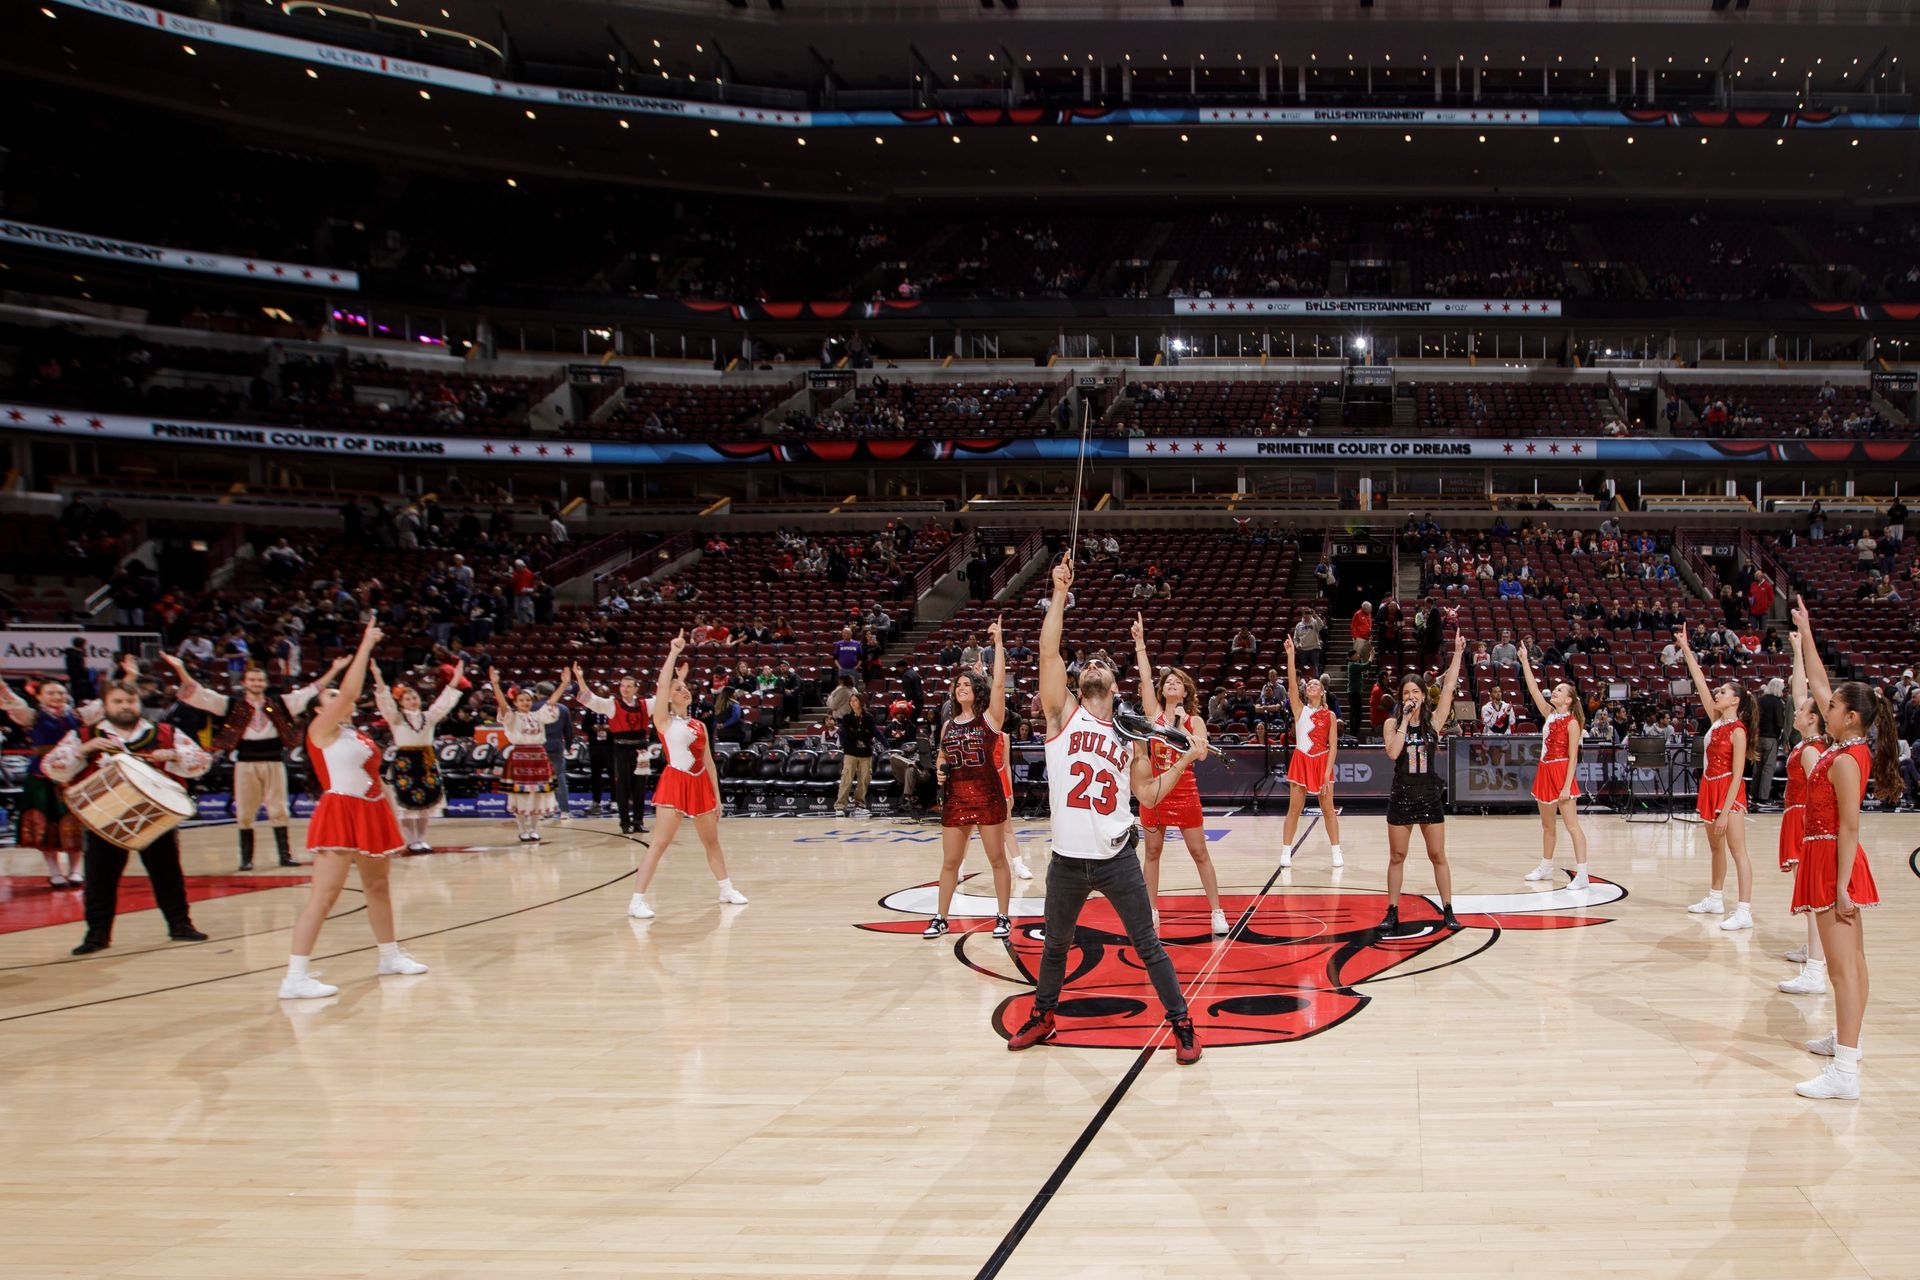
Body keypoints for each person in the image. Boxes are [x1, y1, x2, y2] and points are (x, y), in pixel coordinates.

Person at [1005, 558, 1206, 1066]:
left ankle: (1182, 1023)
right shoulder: (1062, 714)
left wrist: (1184, 756)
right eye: (1087, 664)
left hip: (1116, 857)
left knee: (1148, 945)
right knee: (1055, 946)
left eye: (1101, 664)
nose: (1092, 665)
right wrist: (1056, 590)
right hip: (1066, 860)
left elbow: (1151, 797)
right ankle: (1044, 1014)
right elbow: (1049, 651)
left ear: (1114, 684)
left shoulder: (1131, 735)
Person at [278, 621, 429, 998]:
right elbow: (350, 690)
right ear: (318, 708)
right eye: (329, 696)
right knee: (324, 895)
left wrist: (388, 812)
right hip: (340, 811)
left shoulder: (353, 733)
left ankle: (389, 955)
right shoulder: (320, 729)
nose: (339, 699)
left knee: (378, 887)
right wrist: (365, 645)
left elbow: (373, 775)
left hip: (371, 810)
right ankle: (295, 977)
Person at [1787, 600, 1899, 1100]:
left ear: (1850, 717)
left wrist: (1840, 885)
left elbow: (1851, 827)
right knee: (1851, 963)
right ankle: (1845, 1040)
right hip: (1826, 855)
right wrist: (1808, 632)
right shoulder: (1842, 745)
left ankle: (1846, 1071)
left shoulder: (1849, 758)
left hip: (1836, 859)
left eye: (1831, 706)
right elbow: (1817, 681)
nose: (1822, 704)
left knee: (1843, 967)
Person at [42, 679, 212, 955]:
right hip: (104, 818)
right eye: (118, 701)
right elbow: (52, 768)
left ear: (139, 704)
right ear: (105, 705)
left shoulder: (165, 732)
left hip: (155, 817)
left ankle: (180, 924)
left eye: (130, 701)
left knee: (168, 874)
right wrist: (83, 751)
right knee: (99, 879)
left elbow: (201, 762)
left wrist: (173, 755)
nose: (125, 707)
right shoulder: (84, 735)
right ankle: (97, 935)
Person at [166, 652, 349, 871]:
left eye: (260, 679)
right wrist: (180, 669)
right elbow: (200, 694)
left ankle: (284, 855)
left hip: (273, 761)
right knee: (244, 810)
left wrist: (335, 669)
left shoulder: (280, 703)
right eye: (252, 679)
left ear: (266, 682)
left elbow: (311, 691)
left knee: (278, 808)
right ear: (243, 683)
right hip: (245, 763)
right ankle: (246, 859)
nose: (256, 683)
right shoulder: (230, 705)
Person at [627, 633, 750, 919]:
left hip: (700, 785)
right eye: (679, 688)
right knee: (659, 844)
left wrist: (717, 797)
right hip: (675, 781)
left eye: (686, 688)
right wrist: (673, 653)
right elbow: (661, 684)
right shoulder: (663, 719)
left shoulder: (699, 725)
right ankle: (637, 901)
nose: (685, 691)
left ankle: (726, 888)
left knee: (712, 842)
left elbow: (708, 763)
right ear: (668, 696)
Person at [1131, 613, 1225, 936]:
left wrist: (1183, 725)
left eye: (1178, 682)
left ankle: (1217, 911)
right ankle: (1151, 911)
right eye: (1167, 681)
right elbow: (1144, 678)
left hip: (1184, 791)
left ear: (1185, 693)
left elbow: (1199, 753)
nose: (1171, 683)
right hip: (1156, 789)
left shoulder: (1194, 721)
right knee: (1152, 852)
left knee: (1200, 852)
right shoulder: (1154, 715)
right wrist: (1140, 644)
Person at [925, 617, 1014, 940]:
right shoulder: (949, 725)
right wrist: (939, 768)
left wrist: (999, 644)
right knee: (950, 861)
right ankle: (941, 917)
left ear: (976, 690)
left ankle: (1002, 916)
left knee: (996, 858)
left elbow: (1000, 684)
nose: (960, 688)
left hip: (987, 794)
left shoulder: (990, 718)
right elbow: (942, 756)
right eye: (957, 685)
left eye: (966, 685)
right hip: (957, 797)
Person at [1382, 633, 1467, 936]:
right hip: (1401, 794)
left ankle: (1448, 909)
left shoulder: (1434, 722)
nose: (1410, 697)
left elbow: (1447, 689)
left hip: (1429, 795)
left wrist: (1457, 654)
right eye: (1406, 693)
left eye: (1415, 692)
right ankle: (1392, 912)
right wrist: (1404, 720)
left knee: (1438, 855)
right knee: (1397, 856)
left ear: (1422, 695)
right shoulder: (1393, 724)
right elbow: (1393, 752)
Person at [1674, 629, 1759, 932]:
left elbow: (1738, 775)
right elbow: (1699, 682)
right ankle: (1715, 897)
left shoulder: (1737, 730)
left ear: (1735, 700)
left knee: (1738, 851)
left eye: (1723, 692)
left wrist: (1725, 810)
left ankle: (1745, 910)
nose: (1718, 694)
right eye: (1719, 692)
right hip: (1710, 786)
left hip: (1729, 791)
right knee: (1715, 848)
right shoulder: (1716, 720)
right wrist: (1685, 648)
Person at [1776, 630, 1832, 997]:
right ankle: (1813, 950)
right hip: (1796, 816)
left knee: (1811, 893)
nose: (1796, 709)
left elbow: (1821, 796)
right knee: (1805, 889)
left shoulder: (1813, 749)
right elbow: (1800, 690)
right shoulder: (1807, 740)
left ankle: (1816, 968)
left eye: (1802, 710)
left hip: (1805, 819)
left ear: (1813, 719)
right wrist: (1796, 648)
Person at [1516, 641, 1592, 889]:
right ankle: (1546, 866)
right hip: (1545, 769)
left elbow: (1573, 757)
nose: (1554, 692)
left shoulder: (1572, 723)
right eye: (1555, 689)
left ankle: (1582, 875)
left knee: (1572, 825)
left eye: (1560, 690)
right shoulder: (1549, 714)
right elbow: (1534, 690)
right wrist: (1525, 660)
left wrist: (1567, 785)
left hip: (1562, 772)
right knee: (1547, 825)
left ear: (1569, 700)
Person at [370, 659, 466, 854]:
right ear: (401, 702)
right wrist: (378, 676)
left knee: (425, 803)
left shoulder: (429, 716)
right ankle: (411, 839)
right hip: (405, 761)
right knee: (406, 802)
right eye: (407, 698)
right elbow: (384, 700)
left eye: (414, 697)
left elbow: (445, 701)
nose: (412, 700)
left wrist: (457, 676)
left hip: (425, 759)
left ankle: (421, 839)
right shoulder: (396, 717)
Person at [0, 674, 87, 887]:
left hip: (72, 773)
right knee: (45, 825)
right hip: (42, 774)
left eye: (60, 693)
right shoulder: (33, 716)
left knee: (75, 823)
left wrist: (130, 676)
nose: (57, 696)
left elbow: (106, 706)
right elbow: (12, 701)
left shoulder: (77, 716)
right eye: (51, 693)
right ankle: (55, 872)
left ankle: (75, 871)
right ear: (39, 697)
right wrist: (2, 685)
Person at [1279, 634, 1343, 868]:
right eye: (1310, 685)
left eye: (1316, 684)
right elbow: (1293, 684)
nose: (1312, 685)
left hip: (1322, 761)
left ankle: (1336, 851)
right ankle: (1286, 851)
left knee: (1328, 810)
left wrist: (1327, 773)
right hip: (1302, 759)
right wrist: (1291, 655)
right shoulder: (1299, 710)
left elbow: (1333, 745)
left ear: (1323, 692)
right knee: (1294, 808)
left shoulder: (1331, 716)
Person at [488, 667, 567, 843]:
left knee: (538, 795)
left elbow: (552, 703)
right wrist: (495, 685)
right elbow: (502, 705)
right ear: (515, 702)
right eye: (521, 700)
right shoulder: (512, 717)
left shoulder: (538, 716)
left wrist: (563, 684)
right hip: (520, 758)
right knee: (520, 795)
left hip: (539, 757)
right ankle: (523, 829)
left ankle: (534, 829)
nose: (525, 702)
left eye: (528, 700)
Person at [572, 665, 652, 834]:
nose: (625, 689)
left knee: (639, 786)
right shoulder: (612, 705)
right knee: (623, 785)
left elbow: (666, 697)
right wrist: (580, 677)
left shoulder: (646, 704)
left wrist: (679, 680)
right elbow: (589, 699)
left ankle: (638, 821)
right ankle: (625, 822)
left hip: (641, 748)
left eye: (629, 686)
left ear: (637, 688)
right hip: (621, 748)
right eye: (622, 686)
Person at [835, 692, 877, 818]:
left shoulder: (869, 717)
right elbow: (847, 734)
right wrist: (861, 733)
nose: (853, 703)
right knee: (846, 779)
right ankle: (840, 806)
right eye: (851, 701)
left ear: (861, 702)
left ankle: (860, 805)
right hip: (850, 753)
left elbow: (871, 735)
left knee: (864, 780)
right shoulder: (847, 718)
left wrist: (857, 733)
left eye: (855, 700)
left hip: (866, 753)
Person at [1753, 677, 1789, 808]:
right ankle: (1763, 798)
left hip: (1758, 737)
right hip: (1770, 737)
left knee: (1758, 768)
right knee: (1768, 768)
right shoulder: (1777, 702)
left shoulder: (1760, 700)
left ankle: (1754, 795)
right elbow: (1780, 722)